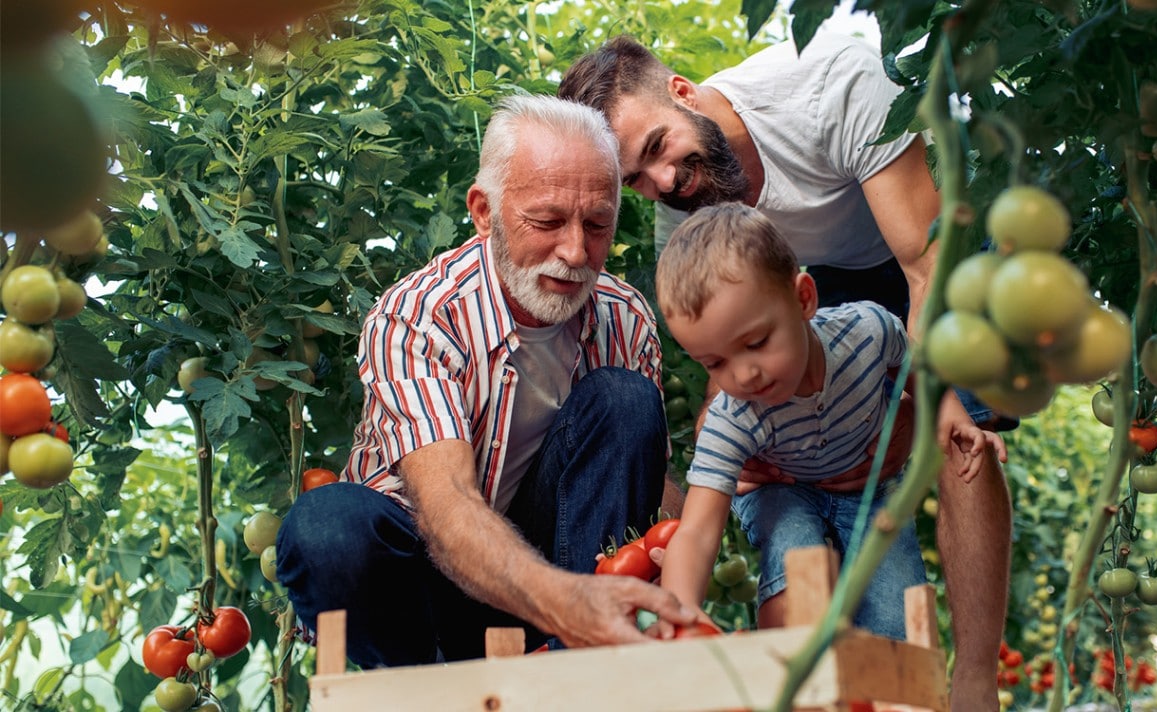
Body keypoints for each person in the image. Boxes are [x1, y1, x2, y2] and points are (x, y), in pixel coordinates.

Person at [559, 32, 1011, 709]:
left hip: (916, 242)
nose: (662, 183)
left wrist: (935, 406)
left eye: (656, 148)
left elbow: (924, 272)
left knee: (962, 433)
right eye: (635, 179)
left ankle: (975, 682)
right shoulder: (684, 213)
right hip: (791, 283)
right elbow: (723, 371)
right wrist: (715, 481)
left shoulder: (833, 86)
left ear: (683, 92)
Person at [275, 94, 698, 668]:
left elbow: (642, 490)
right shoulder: (419, 315)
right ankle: (425, 693)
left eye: (598, 224)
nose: (575, 252)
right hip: (429, 579)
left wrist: (697, 528)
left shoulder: (623, 316)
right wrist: (568, 601)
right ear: (483, 211)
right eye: (547, 221)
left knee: (625, 400)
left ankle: (580, 672)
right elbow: (447, 506)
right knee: (326, 529)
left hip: (559, 579)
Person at [652, 203, 987, 640]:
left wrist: (953, 417)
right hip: (781, 491)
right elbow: (696, 532)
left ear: (804, 299)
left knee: (894, 612)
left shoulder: (866, 331)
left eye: (756, 342)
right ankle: (790, 677)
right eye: (715, 363)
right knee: (795, 554)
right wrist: (678, 615)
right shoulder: (731, 418)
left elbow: (917, 367)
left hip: (865, 488)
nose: (743, 375)